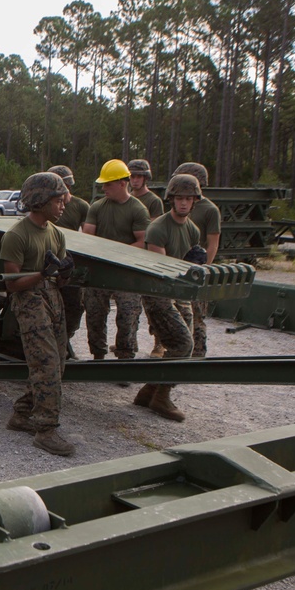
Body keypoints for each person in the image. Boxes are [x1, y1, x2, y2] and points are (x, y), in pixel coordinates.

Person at [0, 172, 75, 456]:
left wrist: (64, 274)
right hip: (29, 302)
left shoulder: (56, 234)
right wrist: (43, 274)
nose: (63, 204)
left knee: (59, 362)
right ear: (41, 200)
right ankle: (46, 430)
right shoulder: (17, 236)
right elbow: (11, 284)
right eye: (57, 200)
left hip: (52, 299)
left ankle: (22, 414)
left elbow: (60, 281)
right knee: (46, 363)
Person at [135, 174, 205, 422]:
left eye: (188, 198)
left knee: (187, 344)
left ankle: (149, 391)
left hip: (179, 293)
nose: (184, 203)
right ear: (171, 200)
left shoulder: (192, 230)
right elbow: (162, 271)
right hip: (158, 293)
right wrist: (188, 265)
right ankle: (161, 398)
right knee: (182, 343)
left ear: (195, 201)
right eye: (179, 198)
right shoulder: (158, 228)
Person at [82, 159, 151, 361]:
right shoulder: (97, 207)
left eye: (108, 184)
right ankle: (98, 355)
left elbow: (143, 242)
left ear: (123, 183)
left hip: (126, 273)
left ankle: (125, 358)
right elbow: (87, 237)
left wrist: (115, 254)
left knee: (127, 316)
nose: (104, 188)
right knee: (94, 314)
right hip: (100, 270)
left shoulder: (137, 209)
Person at [173, 162, 221, 357]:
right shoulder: (178, 205)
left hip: (198, 268)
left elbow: (213, 244)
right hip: (178, 267)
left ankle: (198, 353)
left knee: (197, 315)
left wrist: (203, 271)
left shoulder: (210, 210)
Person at [47, 165, 89, 353]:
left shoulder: (81, 206)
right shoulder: (45, 205)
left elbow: (89, 237)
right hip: (49, 261)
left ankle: (65, 339)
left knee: (74, 307)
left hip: (71, 262)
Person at [128, 158, 168, 358]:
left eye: (139, 176)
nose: (135, 180)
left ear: (145, 178)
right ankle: (129, 342)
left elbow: (152, 230)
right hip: (129, 256)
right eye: (132, 176)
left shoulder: (153, 201)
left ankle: (160, 342)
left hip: (146, 256)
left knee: (154, 305)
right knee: (131, 307)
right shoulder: (125, 198)